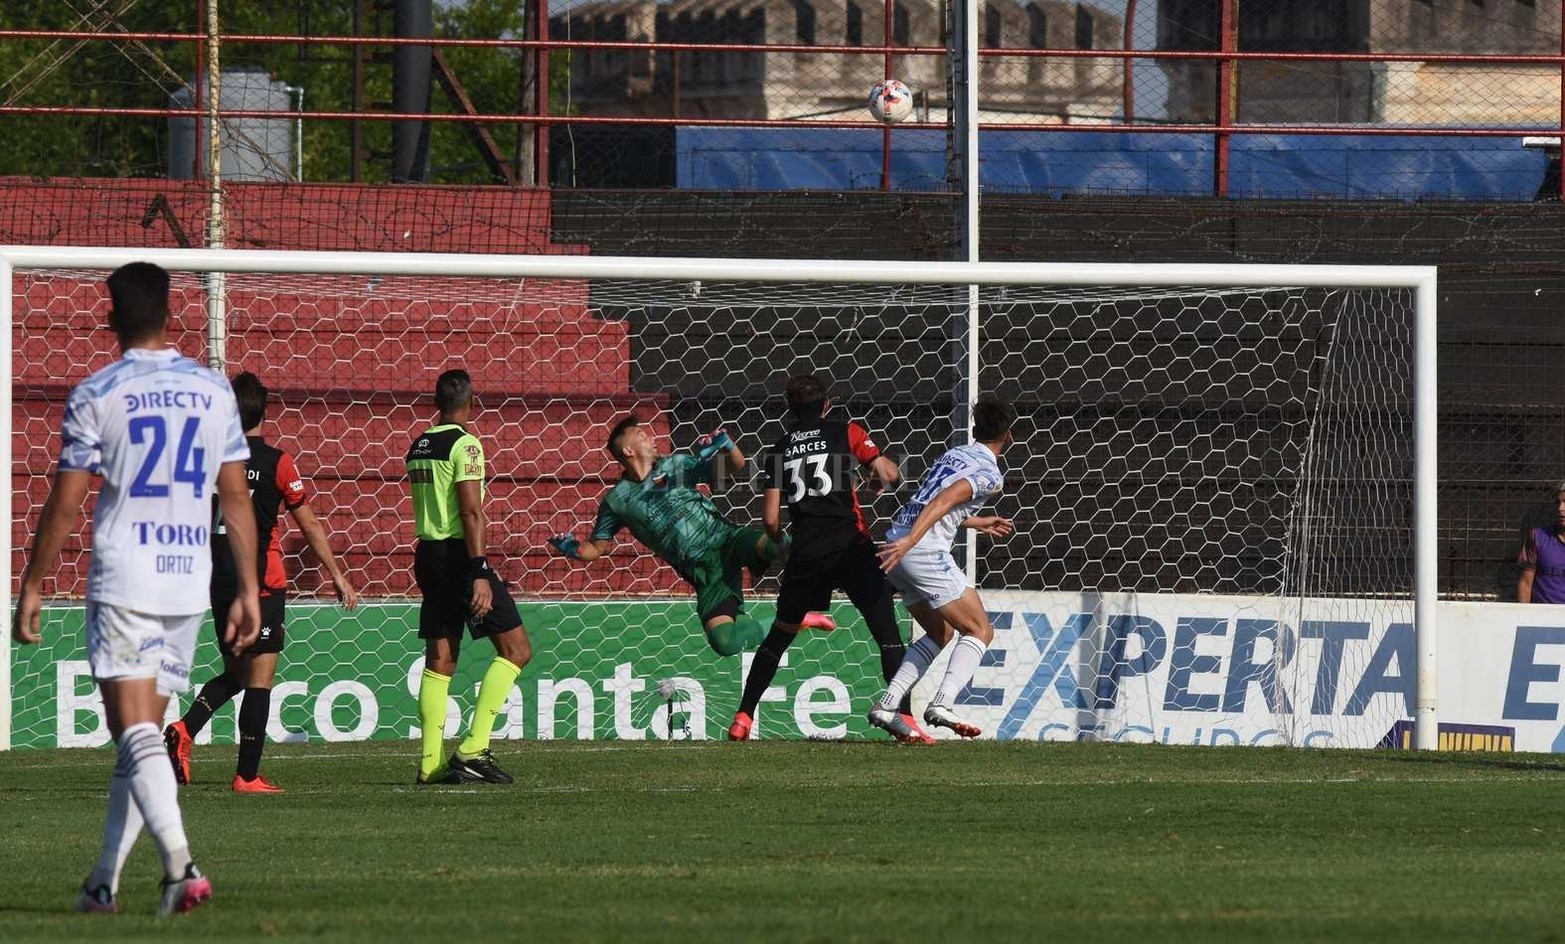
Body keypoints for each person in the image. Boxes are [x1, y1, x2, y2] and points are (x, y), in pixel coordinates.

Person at [12, 262, 260, 916]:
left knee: (133, 733)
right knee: (143, 735)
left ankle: (180, 865)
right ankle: (102, 882)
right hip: (187, 580)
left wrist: (33, 583)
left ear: (111, 319)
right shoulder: (212, 390)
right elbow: (234, 497)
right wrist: (249, 590)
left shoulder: (98, 392)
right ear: (171, 314)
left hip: (126, 575)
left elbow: (67, 503)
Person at [163, 372, 360, 794]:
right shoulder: (278, 463)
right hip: (262, 582)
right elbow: (307, 523)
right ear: (265, 413)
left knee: (236, 671)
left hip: (219, 581)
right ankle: (247, 775)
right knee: (259, 678)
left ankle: (184, 728)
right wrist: (337, 574)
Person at [730, 374, 931, 743]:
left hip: (807, 554)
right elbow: (890, 474)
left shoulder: (779, 449)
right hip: (851, 547)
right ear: (827, 405)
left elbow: (771, 520)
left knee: (779, 637)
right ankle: (904, 719)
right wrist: (877, 473)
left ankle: (743, 716)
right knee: (887, 635)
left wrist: (785, 546)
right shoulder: (847, 431)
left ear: (790, 409)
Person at [550, 414, 835, 658]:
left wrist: (726, 445)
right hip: (704, 572)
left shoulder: (675, 466)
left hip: (725, 540)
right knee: (725, 643)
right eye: (641, 434)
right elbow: (595, 548)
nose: (650, 437)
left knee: (776, 545)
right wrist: (573, 548)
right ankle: (799, 619)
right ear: (628, 450)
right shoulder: (617, 501)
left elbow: (733, 465)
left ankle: (832, 560)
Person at [406, 369, 533, 785]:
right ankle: (474, 747)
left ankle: (429, 764)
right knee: (516, 649)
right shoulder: (466, 444)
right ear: (471, 402)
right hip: (460, 556)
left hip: (427, 554)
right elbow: (470, 511)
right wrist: (479, 570)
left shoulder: (419, 445)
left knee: (440, 660)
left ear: (437, 402)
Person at [868, 397, 1018, 741]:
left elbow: (935, 503)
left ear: (975, 429)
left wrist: (975, 521)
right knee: (980, 630)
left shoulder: (954, 455)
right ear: (1008, 436)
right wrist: (912, 543)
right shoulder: (990, 474)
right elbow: (942, 501)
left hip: (898, 546)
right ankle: (941, 704)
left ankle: (888, 704)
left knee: (940, 633)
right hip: (918, 550)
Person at [1517, 481, 1565, 603]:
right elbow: (1525, 583)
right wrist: (1524, 616)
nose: (1560, 508)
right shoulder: (1538, 537)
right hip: (1544, 618)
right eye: (1558, 503)